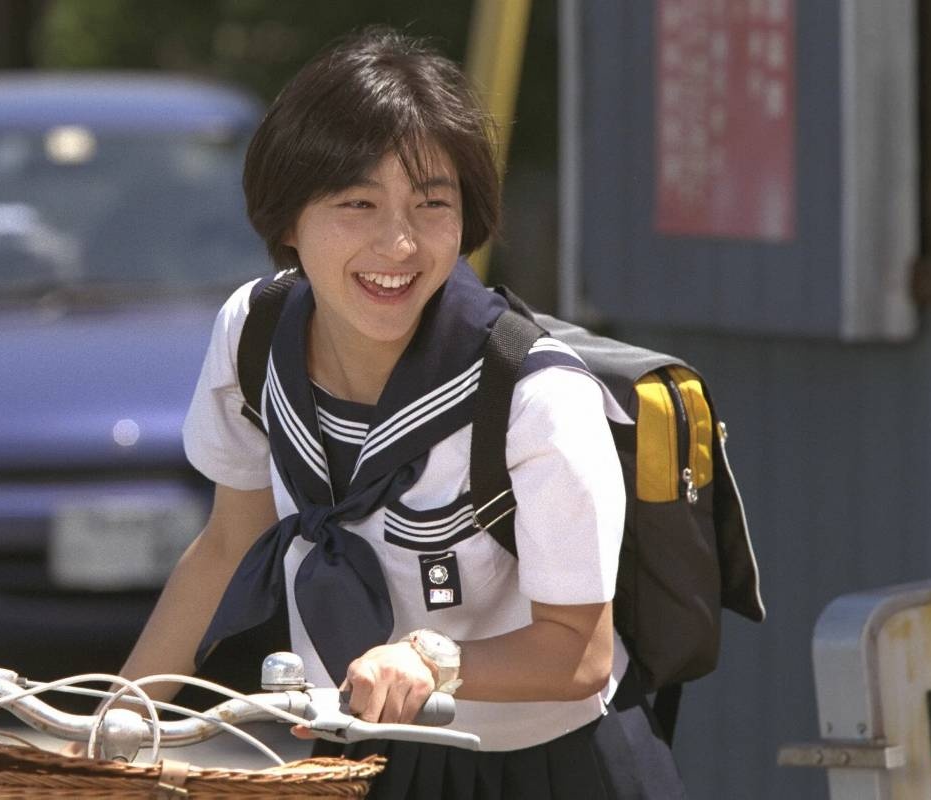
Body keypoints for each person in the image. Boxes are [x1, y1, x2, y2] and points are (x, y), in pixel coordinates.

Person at [102, 27, 688, 798]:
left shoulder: (535, 396)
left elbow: (579, 652)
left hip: (554, 767)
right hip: (360, 755)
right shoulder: (255, 337)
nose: (399, 244)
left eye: (431, 203)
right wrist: (116, 726)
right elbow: (227, 546)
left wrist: (430, 660)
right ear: (288, 220)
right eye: (357, 202)